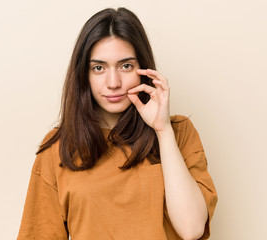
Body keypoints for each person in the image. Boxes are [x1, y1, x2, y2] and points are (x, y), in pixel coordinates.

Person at [17, 7, 217, 240]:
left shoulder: (179, 133)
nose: (113, 83)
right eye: (99, 68)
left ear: (144, 69)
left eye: (126, 66)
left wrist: (162, 131)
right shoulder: (58, 147)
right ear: (84, 75)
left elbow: (192, 229)